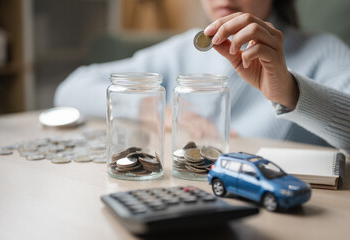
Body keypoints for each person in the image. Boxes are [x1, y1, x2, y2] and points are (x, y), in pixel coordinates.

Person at [54, 0, 350, 155]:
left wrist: (289, 90)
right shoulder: (179, 50)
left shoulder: (324, 51)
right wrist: (159, 111)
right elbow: (70, 89)